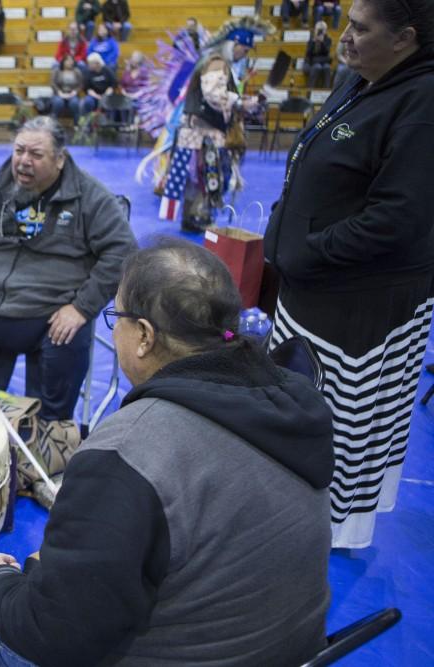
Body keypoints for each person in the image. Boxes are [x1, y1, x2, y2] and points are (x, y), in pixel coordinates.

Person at [0, 239, 333, 667]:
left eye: (117, 317)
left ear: (143, 336)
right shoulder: (288, 403)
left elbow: (54, 632)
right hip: (294, 651)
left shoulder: (127, 452)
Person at [264, 0, 434, 549]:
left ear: (405, 38)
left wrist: (308, 250)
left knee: (339, 428)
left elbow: (396, 221)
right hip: (310, 289)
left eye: (361, 29)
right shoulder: (362, 77)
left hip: (354, 305)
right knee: (297, 407)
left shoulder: (423, 101)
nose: (344, 37)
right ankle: (285, 501)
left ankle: (324, 531)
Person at [0, 116, 137, 422]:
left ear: (60, 159)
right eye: (18, 151)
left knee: (66, 351)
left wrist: (81, 307)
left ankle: (49, 433)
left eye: (36, 155)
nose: (23, 161)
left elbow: (123, 251)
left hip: (48, 317)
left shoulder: (91, 197)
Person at [159, 55, 242, 231]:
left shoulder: (214, 90)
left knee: (207, 179)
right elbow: (212, 98)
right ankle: (194, 216)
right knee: (198, 179)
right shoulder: (205, 89)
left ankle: (198, 215)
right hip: (196, 142)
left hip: (207, 141)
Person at [80, 52, 117, 117]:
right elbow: (87, 88)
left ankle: (109, 122)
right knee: (88, 101)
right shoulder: (87, 72)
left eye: (90, 63)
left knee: (111, 101)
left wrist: (105, 95)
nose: (88, 65)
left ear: (97, 63)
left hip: (106, 94)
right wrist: (96, 96)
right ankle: (86, 120)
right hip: (94, 95)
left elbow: (113, 84)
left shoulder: (107, 70)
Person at [50, 54, 83, 124]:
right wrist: (59, 92)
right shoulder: (57, 71)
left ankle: (76, 125)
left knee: (75, 103)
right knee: (58, 103)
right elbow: (53, 83)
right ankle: (53, 124)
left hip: (72, 93)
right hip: (59, 93)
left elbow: (80, 85)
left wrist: (75, 92)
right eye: (68, 60)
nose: (70, 62)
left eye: (72, 61)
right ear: (63, 62)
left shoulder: (77, 71)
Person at [305, 20, 333, 87]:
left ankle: (326, 90)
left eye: (322, 30)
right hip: (311, 63)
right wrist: (314, 42)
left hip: (323, 62)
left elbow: (327, 52)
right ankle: (310, 88)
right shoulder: (311, 39)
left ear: (325, 30)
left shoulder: (328, 40)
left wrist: (322, 42)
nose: (320, 31)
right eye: (319, 29)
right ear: (315, 30)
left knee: (327, 67)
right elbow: (308, 55)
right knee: (317, 67)